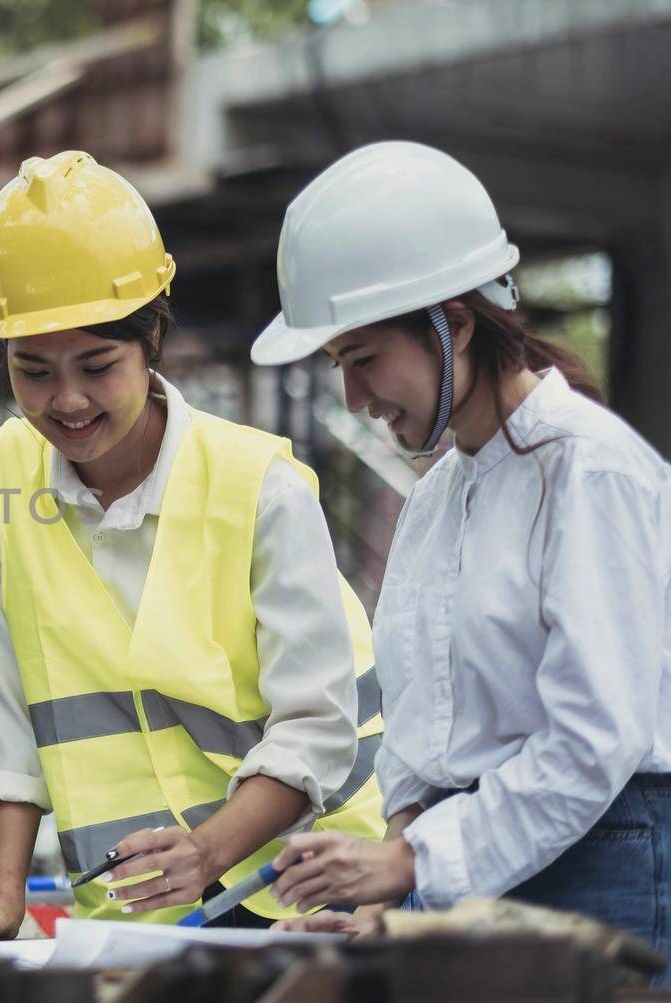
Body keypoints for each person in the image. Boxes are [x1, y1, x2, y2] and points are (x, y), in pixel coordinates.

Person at [0, 152, 385, 943]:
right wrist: (3, 893)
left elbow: (317, 726)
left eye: (97, 365)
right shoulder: (5, 467)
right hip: (142, 913)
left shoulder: (260, 485)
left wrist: (207, 849)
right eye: (33, 371)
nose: (68, 400)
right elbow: (5, 692)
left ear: (151, 336)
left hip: (317, 889)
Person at [251, 141, 671, 985]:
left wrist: (411, 862)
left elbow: (593, 739)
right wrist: (392, 858)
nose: (356, 400)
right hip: (467, 872)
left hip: (603, 865)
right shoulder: (439, 497)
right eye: (340, 368)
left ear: (458, 324)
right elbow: (415, 725)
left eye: (364, 359)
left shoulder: (591, 470)